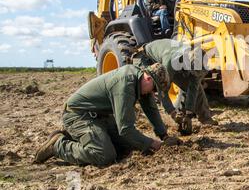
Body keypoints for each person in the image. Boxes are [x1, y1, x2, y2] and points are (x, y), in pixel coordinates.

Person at [34, 63, 181, 167]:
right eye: (154, 89)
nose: (152, 93)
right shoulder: (125, 83)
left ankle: (81, 137)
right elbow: (126, 129)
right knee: (104, 155)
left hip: (100, 117)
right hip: (78, 115)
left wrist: (164, 136)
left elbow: (151, 109)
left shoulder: (140, 79)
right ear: (148, 78)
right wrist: (152, 143)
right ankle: (58, 145)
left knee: (129, 147)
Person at [141, 39, 218, 135]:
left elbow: (194, 88)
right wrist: (173, 114)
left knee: (197, 87)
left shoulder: (195, 60)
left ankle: (206, 118)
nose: (194, 74)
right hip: (148, 59)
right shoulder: (170, 61)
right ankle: (161, 129)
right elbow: (162, 91)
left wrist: (189, 115)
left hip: (177, 62)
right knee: (148, 93)